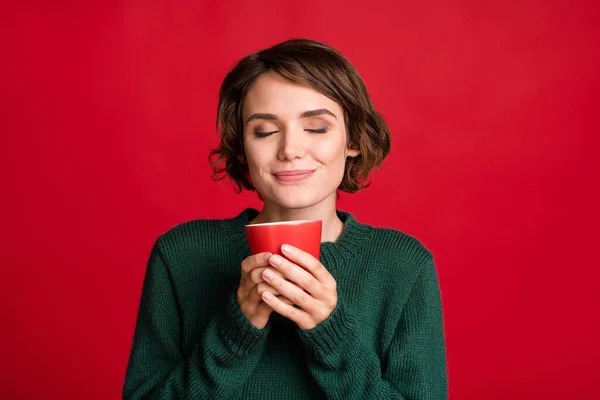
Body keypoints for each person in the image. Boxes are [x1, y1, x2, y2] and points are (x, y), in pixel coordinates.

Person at [123, 38, 448, 399]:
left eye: (316, 127)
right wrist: (236, 329)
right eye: (265, 131)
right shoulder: (182, 254)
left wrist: (330, 332)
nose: (290, 150)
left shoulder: (403, 265)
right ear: (242, 147)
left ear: (352, 138)